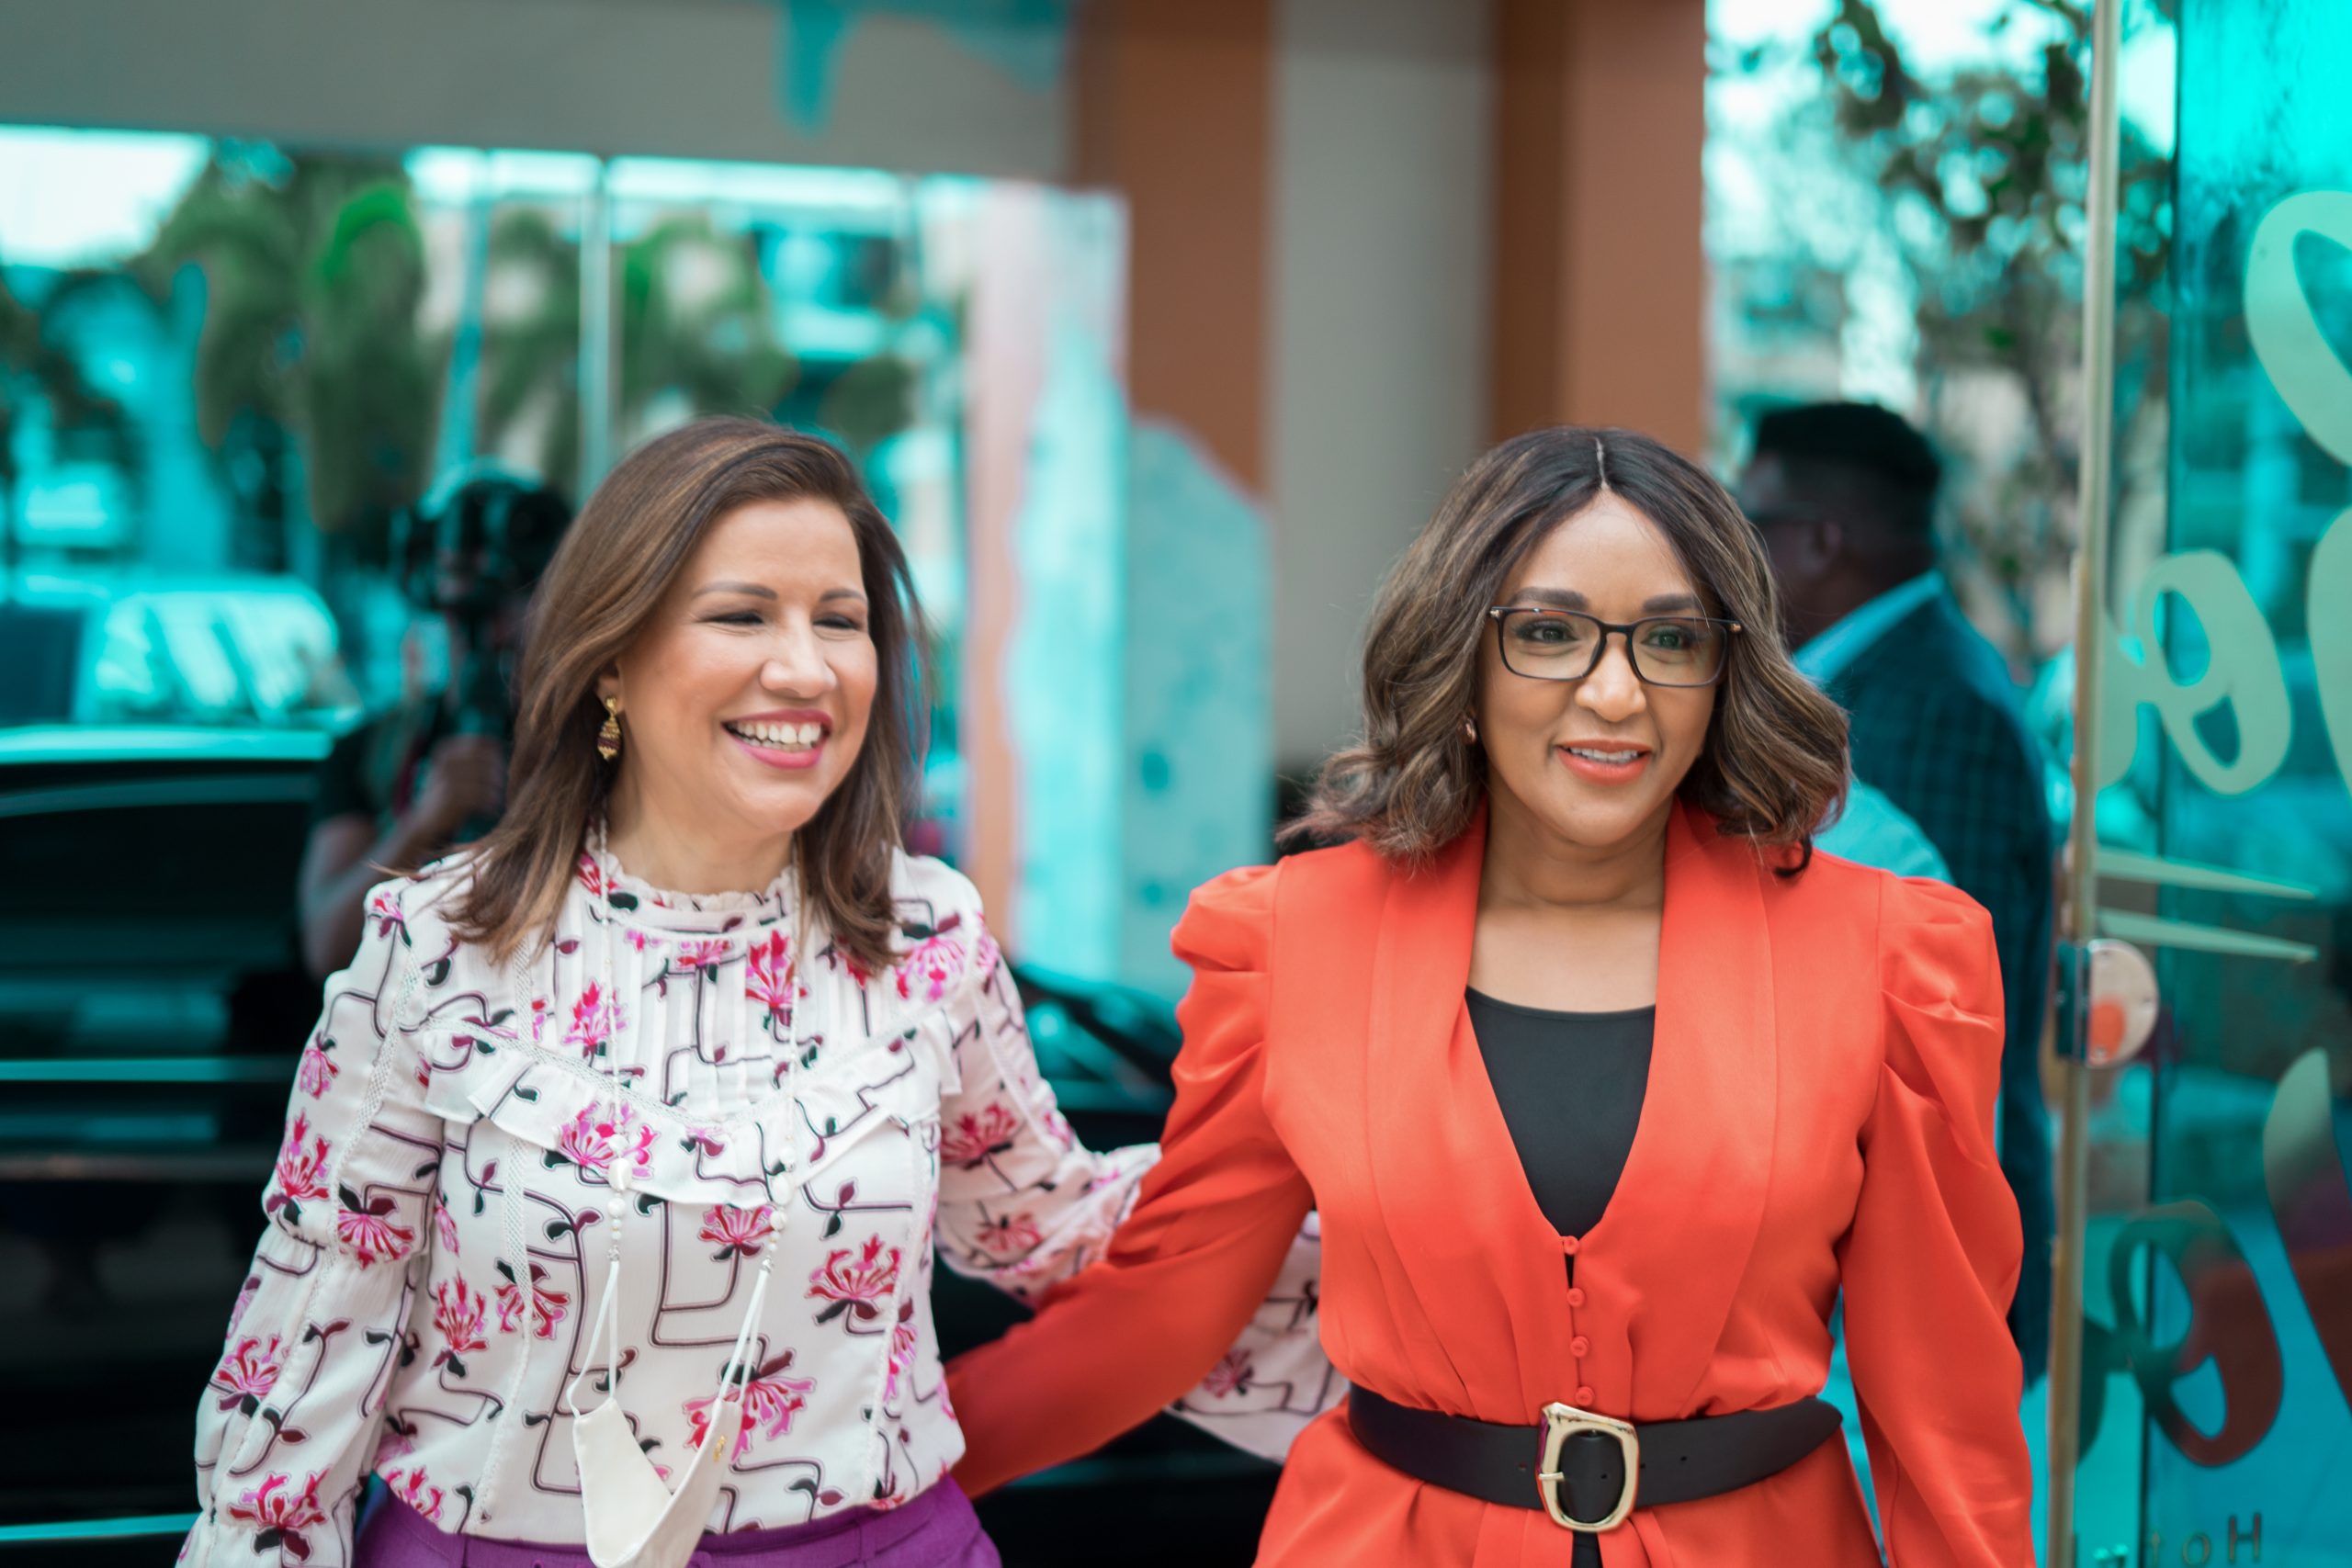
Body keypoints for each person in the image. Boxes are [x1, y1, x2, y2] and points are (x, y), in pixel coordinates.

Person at [944, 427, 2033, 1566]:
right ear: (1461, 653)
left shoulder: (1887, 956)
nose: (1614, 693)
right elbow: (1160, 1314)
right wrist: (875, 1489)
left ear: (1726, 672)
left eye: (1669, 639)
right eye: (1549, 633)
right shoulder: (1292, 942)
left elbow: (1943, 1412)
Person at [186, 419, 1248, 1568]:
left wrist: (1329, 1166)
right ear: (610, 658)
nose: (805, 669)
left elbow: (1048, 1225)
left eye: (838, 620)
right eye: (743, 615)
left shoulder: (925, 934)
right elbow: (308, 1344)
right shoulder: (439, 947)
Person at [1739, 400, 2055, 1384]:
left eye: (1749, 524)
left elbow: (1941, 1013)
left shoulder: (1931, 705)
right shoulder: (1887, 678)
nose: (1731, 557)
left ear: (1819, 539)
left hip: (1914, 1259)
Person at [297, 469, 572, 980]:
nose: (492, 614)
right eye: (465, 575)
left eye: (519, 586)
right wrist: (425, 821)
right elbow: (328, 949)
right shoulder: (374, 751)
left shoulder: (595, 743)